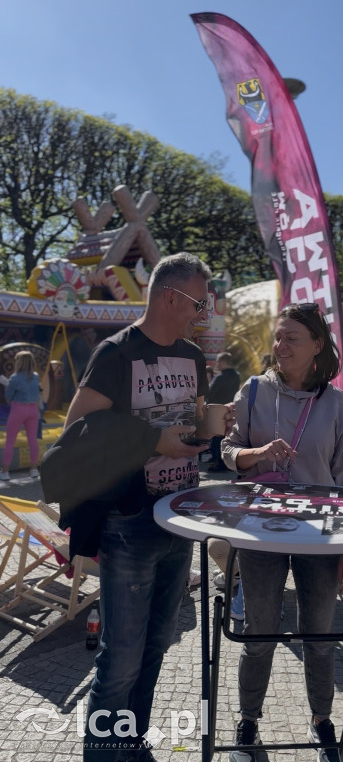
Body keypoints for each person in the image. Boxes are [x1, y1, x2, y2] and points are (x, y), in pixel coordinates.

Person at [64, 252, 212, 762]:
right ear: (171, 297)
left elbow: (188, 425)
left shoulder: (194, 357)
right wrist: (153, 442)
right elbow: (75, 434)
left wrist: (211, 429)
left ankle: (132, 744)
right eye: (198, 301)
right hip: (128, 524)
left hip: (182, 517)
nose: (203, 312)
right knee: (121, 660)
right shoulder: (116, 353)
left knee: (154, 650)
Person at [221, 302, 343, 762]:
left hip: (320, 537)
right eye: (278, 337)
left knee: (318, 636)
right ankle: (248, 722)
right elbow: (228, 452)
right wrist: (257, 452)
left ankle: (322, 721)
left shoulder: (336, 403)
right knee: (258, 632)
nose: (280, 346)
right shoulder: (254, 390)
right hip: (260, 533)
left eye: (292, 339)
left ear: (317, 345)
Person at [0, 350, 40, 480]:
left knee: (10, 441)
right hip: (33, 409)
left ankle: (5, 472)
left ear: (19, 362)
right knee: (32, 440)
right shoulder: (35, 376)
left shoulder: (15, 377)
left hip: (18, 409)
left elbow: (8, 396)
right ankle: (34, 470)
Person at [207, 351, 240, 472]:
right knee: (228, 436)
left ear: (224, 362)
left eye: (219, 361)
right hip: (230, 410)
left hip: (217, 410)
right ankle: (227, 462)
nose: (217, 363)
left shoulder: (220, 377)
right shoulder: (236, 376)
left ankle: (218, 462)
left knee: (216, 438)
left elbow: (210, 393)